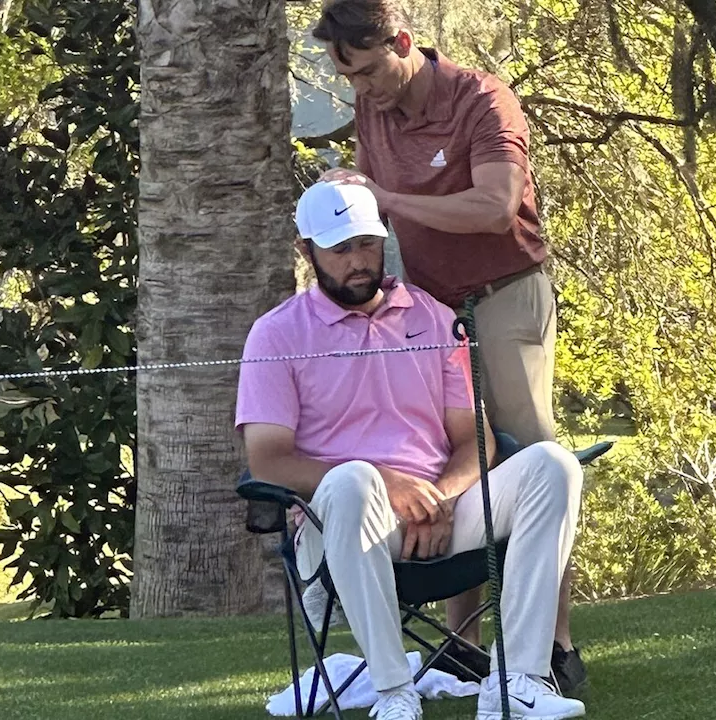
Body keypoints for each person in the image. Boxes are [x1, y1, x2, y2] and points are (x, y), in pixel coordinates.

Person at [312, 0, 588, 694]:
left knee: (528, 455)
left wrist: (386, 196)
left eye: (370, 71)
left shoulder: (483, 100)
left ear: (404, 41)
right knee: (450, 457)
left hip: (504, 295)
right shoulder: (375, 108)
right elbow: (377, 204)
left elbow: (496, 206)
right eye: (350, 77)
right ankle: (462, 646)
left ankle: (555, 647)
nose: (362, 91)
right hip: (430, 310)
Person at [235, 180, 586, 720]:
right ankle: (393, 692)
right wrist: (392, 486)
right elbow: (269, 460)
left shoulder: (434, 317)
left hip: (441, 512)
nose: (358, 261)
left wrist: (440, 497)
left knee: (552, 465)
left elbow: (476, 439)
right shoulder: (275, 335)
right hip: (339, 524)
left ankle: (516, 680)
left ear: (385, 236)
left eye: (367, 244)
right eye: (340, 249)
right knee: (354, 481)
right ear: (307, 252)